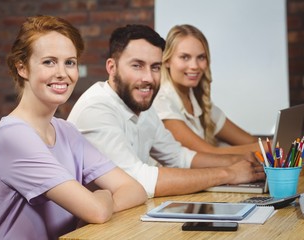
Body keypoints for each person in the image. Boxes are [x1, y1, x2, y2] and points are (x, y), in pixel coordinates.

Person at [0, 16, 147, 239]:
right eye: (49, 62)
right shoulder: (12, 135)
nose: (62, 73)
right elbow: (96, 211)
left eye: (70, 62)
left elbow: (135, 190)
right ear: (22, 68)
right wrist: (102, 196)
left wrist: (97, 204)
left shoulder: (66, 131)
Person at [67, 24, 265, 198]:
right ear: (112, 67)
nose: (148, 78)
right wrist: (228, 174)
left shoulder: (144, 106)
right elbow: (137, 181)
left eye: (155, 67)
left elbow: (179, 157)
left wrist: (239, 162)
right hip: (88, 230)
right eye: (137, 66)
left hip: (126, 217)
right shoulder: (97, 108)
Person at [153, 24, 267, 155]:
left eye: (201, 57)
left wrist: (270, 145)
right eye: (185, 57)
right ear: (166, 60)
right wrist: (266, 148)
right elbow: (207, 153)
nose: (194, 66)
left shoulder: (197, 99)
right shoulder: (160, 100)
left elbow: (250, 141)